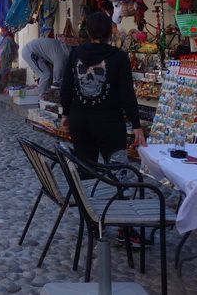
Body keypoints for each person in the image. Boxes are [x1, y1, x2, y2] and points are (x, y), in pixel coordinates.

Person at [60, 12, 147, 244]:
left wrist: (66, 113)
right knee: (117, 172)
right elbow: (127, 94)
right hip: (109, 123)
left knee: (86, 170)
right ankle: (123, 228)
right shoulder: (118, 56)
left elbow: (66, 85)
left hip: (80, 121)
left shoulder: (76, 53)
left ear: (87, 32)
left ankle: (92, 221)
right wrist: (137, 125)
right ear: (110, 32)